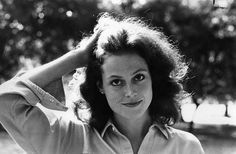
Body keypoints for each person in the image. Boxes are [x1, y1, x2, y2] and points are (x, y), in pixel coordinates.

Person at [0, 13, 204, 154]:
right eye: (116, 82)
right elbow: (5, 101)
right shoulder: (69, 138)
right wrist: (78, 57)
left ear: (154, 78)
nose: (130, 91)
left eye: (139, 77)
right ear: (100, 86)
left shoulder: (186, 147)